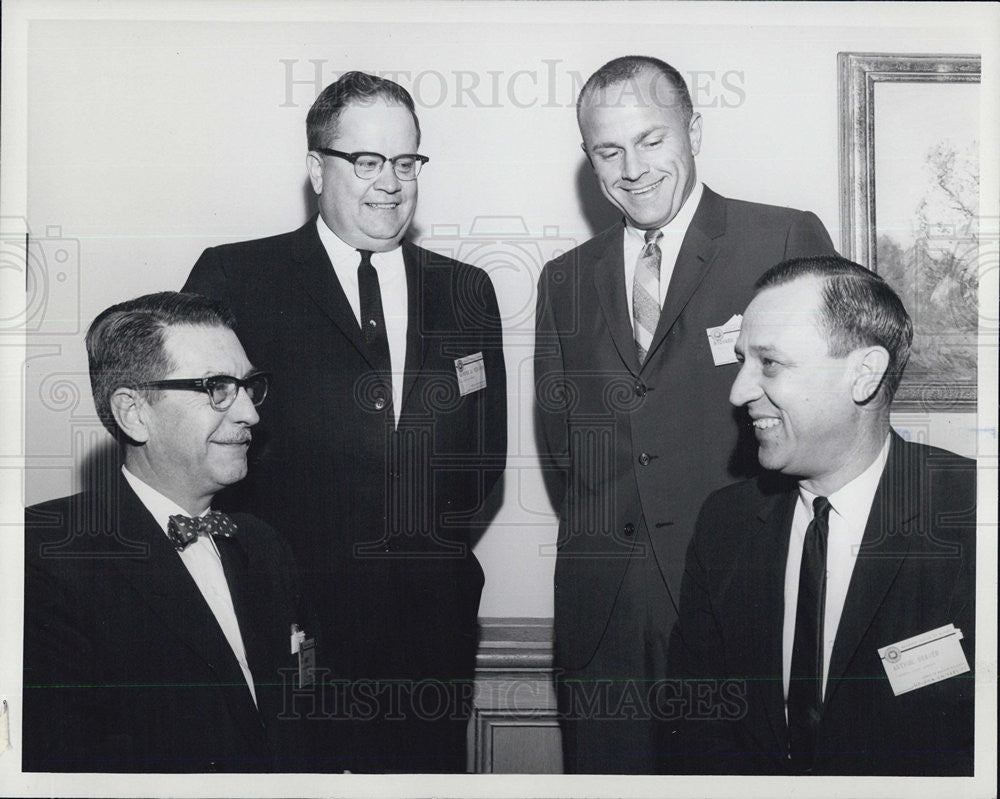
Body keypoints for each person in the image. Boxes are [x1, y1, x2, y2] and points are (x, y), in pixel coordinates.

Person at [183, 71, 506, 772]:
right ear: (314, 168)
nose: (388, 181)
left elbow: (483, 465)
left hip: (430, 637)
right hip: (288, 624)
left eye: (405, 161)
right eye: (365, 161)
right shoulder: (238, 278)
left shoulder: (465, 290)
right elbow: (195, 451)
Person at [533, 55, 836, 772]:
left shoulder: (783, 240)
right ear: (589, 159)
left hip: (745, 596)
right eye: (608, 150)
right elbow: (563, 447)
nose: (632, 168)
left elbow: (827, 420)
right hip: (606, 617)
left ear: (693, 130)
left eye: (651, 140)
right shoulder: (564, 279)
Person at [668, 256, 976, 775]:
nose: (738, 392)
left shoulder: (974, 515)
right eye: (742, 360)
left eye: (769, 363)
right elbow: (695, 734)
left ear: (864, 374)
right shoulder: (725, 525)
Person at [23, 292, 313, 773]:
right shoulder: (45, 556)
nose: (250, 414)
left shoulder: (264, 545)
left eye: (248, 386)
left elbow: (301, 721)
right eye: (218, 387)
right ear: (134, 412)